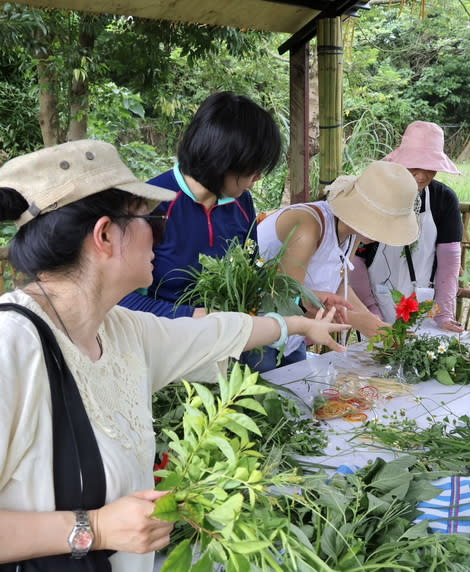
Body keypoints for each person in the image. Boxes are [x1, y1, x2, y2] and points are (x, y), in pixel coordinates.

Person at [0, 140, 348, 571]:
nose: (160, 234)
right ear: (105, 235)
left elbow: (218, 332)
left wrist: (295, 325)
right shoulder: (11, 346)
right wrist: (97, 529)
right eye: (153, 221)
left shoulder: (123, 331)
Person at [118, 91, 318, 372]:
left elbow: (251, 275)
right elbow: (119, 302)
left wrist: (299, 294)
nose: (258, 179)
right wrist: (197, 316)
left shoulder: (241, 202)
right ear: (223, 160)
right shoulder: (149, 206)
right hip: (164, 352)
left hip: (229, 343)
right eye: (253, 169)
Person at [257, 160, 420, 342]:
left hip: (291, 339)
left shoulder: (352, 232)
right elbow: (286, 297)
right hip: (261, 333)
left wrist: (374, 322)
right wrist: (359, 322)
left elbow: (340, 284)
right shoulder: (308, 227)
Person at [350, 121, 465, 332]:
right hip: (374, 300)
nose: (421, 176)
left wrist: (444, 312)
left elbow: (449, 262)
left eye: (429, 168)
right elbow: (355, 257)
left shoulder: (444, 199)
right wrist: (370, 310)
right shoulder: (376, 194)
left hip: (424, 304)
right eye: (414, 166)